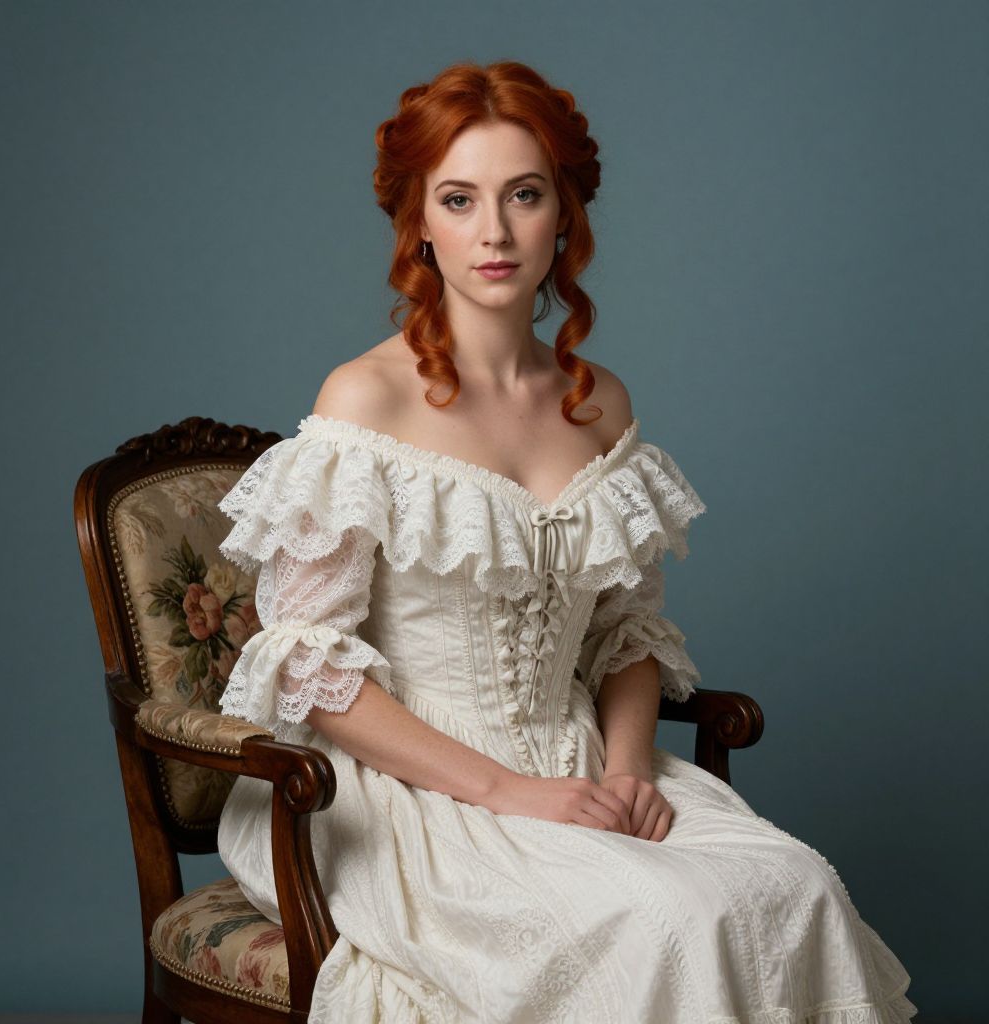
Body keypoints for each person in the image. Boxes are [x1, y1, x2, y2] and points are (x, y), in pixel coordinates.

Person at [215, 60, 916, 1023]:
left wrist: (626, 771)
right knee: (663, 919)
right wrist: (507, 791)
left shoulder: (601, 404)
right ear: (420, 222)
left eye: (525, 196)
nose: (495, 232)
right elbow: (305, 669)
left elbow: (625, 634)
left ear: (564, 219)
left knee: (793, 892)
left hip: (580, 754)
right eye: (459, 200)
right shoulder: (364, 400)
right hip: (396, 792)